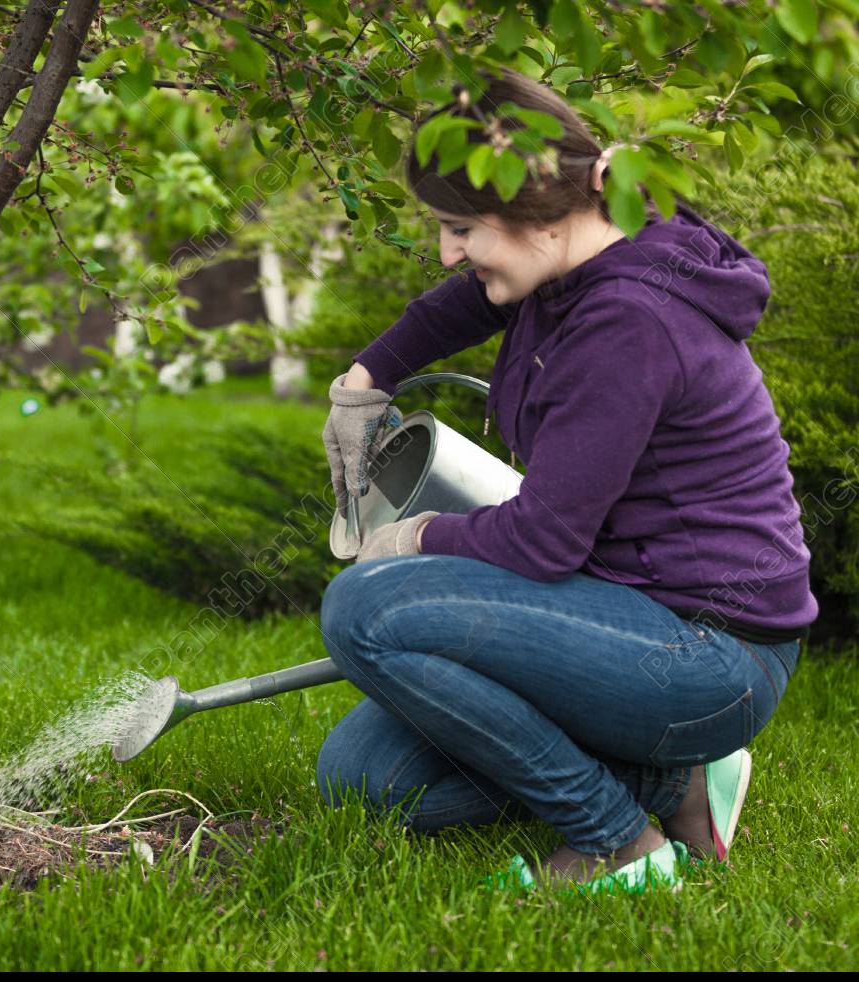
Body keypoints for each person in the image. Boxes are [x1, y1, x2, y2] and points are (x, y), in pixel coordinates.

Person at [316, 69, 818, 895]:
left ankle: (618, 842)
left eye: (459, 228)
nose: (447, 251)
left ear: (531, 209)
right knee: (366, 781)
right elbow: (469, 302)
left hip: (708, 653)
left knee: (365, 610)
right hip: (622, 610)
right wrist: (368, 377)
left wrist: (409, 541)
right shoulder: (587, 245)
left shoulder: (628, 321)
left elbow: (541, 540)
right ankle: (674, 782)